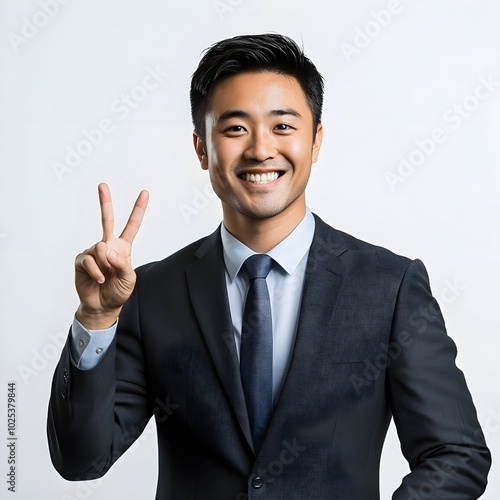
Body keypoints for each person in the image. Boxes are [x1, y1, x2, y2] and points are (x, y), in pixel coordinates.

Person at [47, 33, 491, 499]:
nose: (260, 149)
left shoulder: (388, 287)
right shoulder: (152, 292)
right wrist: (96, 320)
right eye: (235, 128)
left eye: (283, 127)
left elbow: (456, 453)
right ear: (201, 148)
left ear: (316, 140)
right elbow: (82, 461)